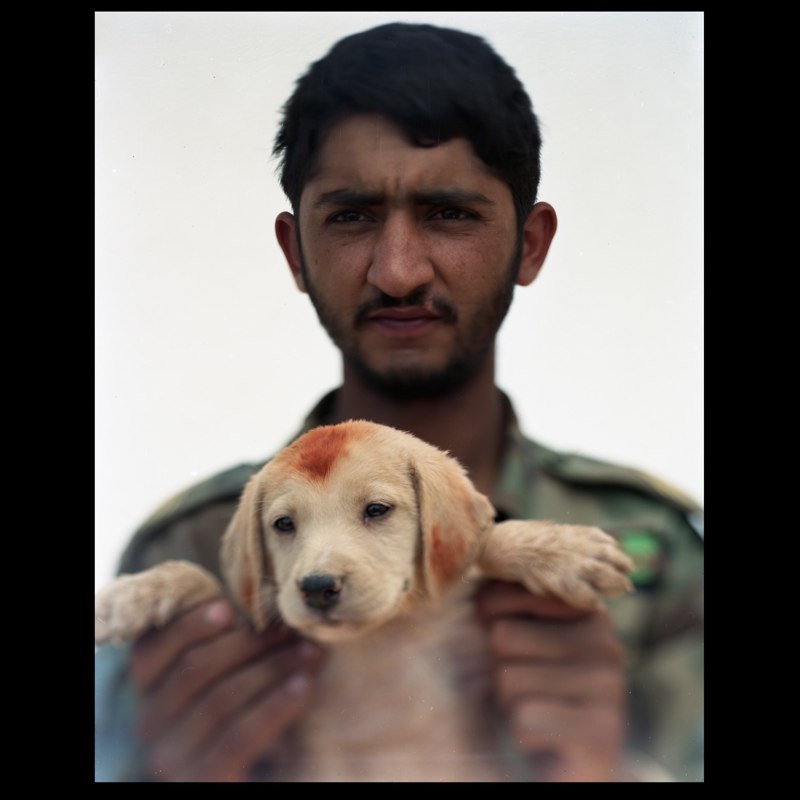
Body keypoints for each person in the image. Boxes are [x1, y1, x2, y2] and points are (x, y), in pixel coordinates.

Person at [95, 21, 703, 782]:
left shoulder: (663, 551)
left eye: (449, 212)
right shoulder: (188, 552)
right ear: (296, 253)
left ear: (530, 243)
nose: (399, 271)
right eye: (352, 216)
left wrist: (610, 766)